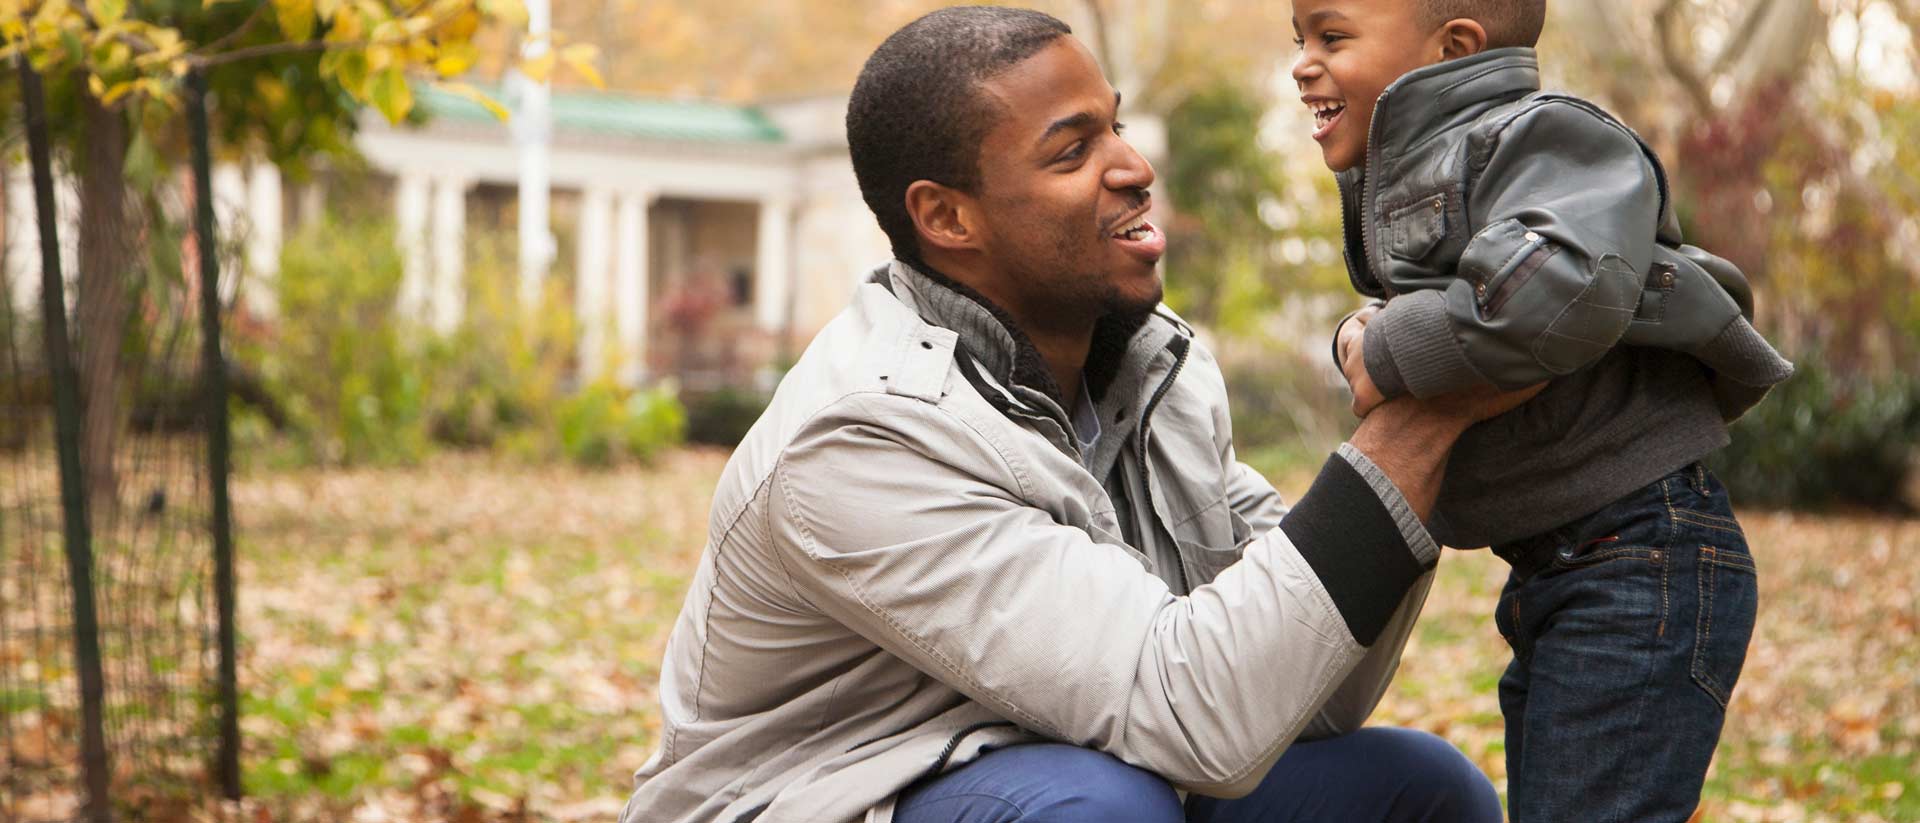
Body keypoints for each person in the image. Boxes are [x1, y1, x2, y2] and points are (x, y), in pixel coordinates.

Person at [621, 8, 1533, 823]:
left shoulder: (1151, 368)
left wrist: (1423, 428)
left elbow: (1305, 695)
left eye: (1118, 127)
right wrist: (1415, 420)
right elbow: (1195, 717)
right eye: (1072, 151)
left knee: (1416, 787)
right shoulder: (862, 438)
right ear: (946, 218)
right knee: (1096, 809)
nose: (1135, 169)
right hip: (834, 793)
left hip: (1084, 764)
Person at [1289, 1, 1795, 820]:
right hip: (1565, 563)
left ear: (1453, 47)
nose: (1302, 63)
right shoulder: (1430, 170)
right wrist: (1360, 332)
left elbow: (1551, 292)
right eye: (1298, 40)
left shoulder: (1548, 139)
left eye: (1331, 37)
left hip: (1640, 554)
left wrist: (1380, 349)